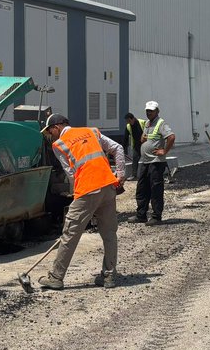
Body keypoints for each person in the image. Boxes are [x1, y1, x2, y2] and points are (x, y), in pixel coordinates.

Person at [37, 113, 127, 291]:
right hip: (109, 187)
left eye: (49, 132)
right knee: (109, 233)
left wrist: (78, 198)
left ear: (57, 127)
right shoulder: (91, 131)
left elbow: (71, 173)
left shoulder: (59, 144)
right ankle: (109, 276)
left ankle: (56, 277)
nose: (50, 136)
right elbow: (118, 148)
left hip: (87, 190)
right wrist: (121, 175)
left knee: (70, 234)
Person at [136, 100, 175, 225]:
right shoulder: (148, 123)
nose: (149, 113)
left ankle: (156, 216)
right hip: (145, 161)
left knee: (155, 189)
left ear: (157, 111)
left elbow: (171, 137)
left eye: (151, 111)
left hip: (156, 162)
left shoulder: (160, 123)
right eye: (147, 111)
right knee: (142, 188)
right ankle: (141, 215)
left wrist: (164, 151)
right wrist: (143, 138)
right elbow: (145, 137)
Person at [123, 112, 143, 179]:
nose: (128, 122)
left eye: (129, 121)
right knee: (135, 159)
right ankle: (134, 175)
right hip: (136, 145)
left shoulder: (142, 122)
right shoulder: (128, 126)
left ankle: (147, 175)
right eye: (127, 121)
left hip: (144, 144)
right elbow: (125, 138)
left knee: (147, 160)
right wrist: (123, 148)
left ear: (133, 118)